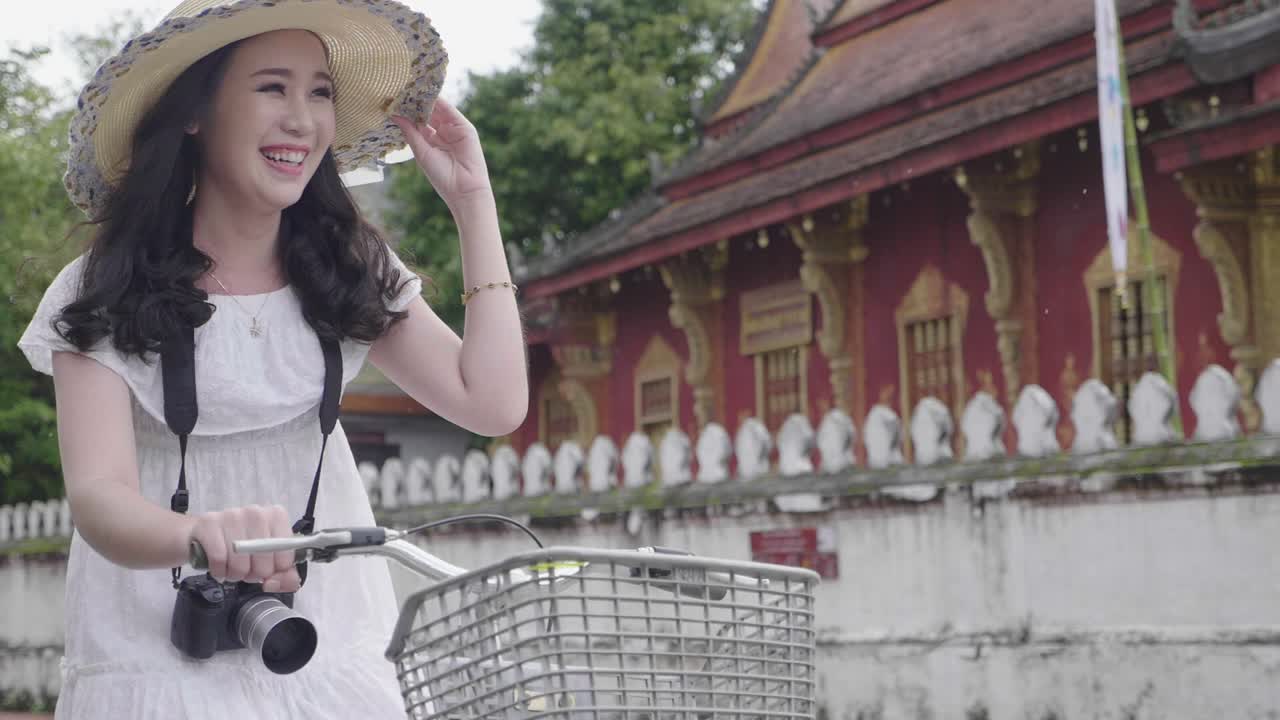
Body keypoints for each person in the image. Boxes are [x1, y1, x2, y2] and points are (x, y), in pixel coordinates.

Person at [17, 1, 528, 717]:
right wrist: (196, 533)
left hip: (332, 652)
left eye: (320, 92)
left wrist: (474, 204)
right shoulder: (105, 287)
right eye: (271, 88)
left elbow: (493, 404)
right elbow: (100, 497)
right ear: (195, 113)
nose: (302, 119)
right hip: (152, 661)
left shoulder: (348, 268)